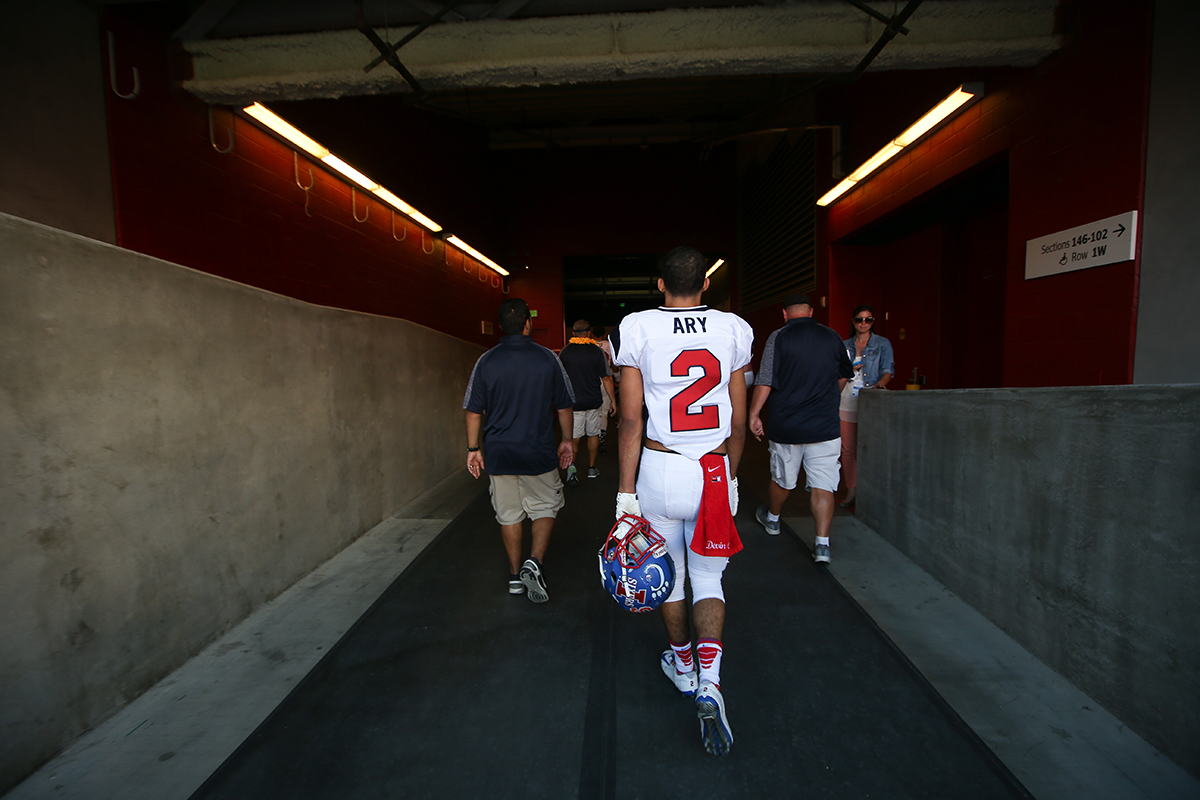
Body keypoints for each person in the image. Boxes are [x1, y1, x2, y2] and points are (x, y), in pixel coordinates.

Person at [612, 246, 753, 757]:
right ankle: (711, 682)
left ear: (659, 285)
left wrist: (625, 492)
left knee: (667, 571)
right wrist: (733, 476)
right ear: (706, 284)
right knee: (710, 577)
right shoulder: (734, 329)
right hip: (712, 467)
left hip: (660, 467)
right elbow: (738, 421)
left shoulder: (638, 328)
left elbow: (630, 419)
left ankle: (683, 662)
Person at [464, 298, 575, 603]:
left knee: (509, 514)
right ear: (528, 323)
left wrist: (474, 448)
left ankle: (515, 576)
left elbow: (474, 410)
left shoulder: (485, 362)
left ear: (501, 326)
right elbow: (564, 405)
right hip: (537, 450)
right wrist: (567, 440)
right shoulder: (548, 359)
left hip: (499, 452)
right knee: (545, 507)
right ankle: (534, 562)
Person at [749, 293, 853, 564]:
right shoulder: (832, 336)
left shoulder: (778, 337)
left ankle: (772, 519)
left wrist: (754, 413)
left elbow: (766, 379)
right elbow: (844, 373)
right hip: (825, 426)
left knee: (783, 478)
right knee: (824, 485)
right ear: (810, 312)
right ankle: (822, 545)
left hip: (788, 425)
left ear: (784, 314)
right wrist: (829, 396)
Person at [839, 304, 894, 507]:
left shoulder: (882, 343)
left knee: (871, 447)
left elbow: (888, 370)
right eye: (859, 319)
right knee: (847, 449)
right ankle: (851, 491)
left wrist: (880, 385)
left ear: (873, 322)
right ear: (853, 321)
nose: (863, 323)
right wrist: (849, 370)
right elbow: (837, 373)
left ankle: (871, 492)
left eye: (868, 319)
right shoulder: (845, 345)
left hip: (870, 400)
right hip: (846, 399)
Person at [558, 319, 617, 484]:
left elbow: (559, 378)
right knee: (593, 434)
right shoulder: (597, 352)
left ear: (573, 333)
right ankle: (591, 468)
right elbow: (606, 378)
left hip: (574, 403)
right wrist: (613, 401)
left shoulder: (565, 352)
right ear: (589, 333)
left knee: (574, 437)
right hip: (593, 401)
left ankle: (572, 469)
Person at [592, 323, 617, 454]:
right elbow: (613, 364)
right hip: (605, 380)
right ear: (603, 334)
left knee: (592, 411)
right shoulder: (608, 344)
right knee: (604, 411)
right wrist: (617, 379)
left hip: (590, 381)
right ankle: (601, 436)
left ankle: (592, 435)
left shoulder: (588, 344)